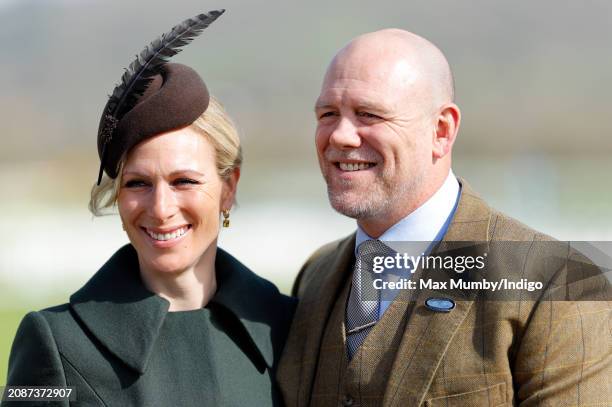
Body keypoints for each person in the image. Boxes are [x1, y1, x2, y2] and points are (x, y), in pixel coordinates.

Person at [277, 29, 611, 406]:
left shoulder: (559, 286)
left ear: (441, 130)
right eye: (328, 114)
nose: (341, 135)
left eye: (369, 114)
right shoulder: (315, 276)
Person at [3, 12, 294, 407]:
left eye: (184, 181)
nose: (160, 208)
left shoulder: (288, 326)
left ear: (229, 188)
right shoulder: (54, 341)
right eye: (138, 183)